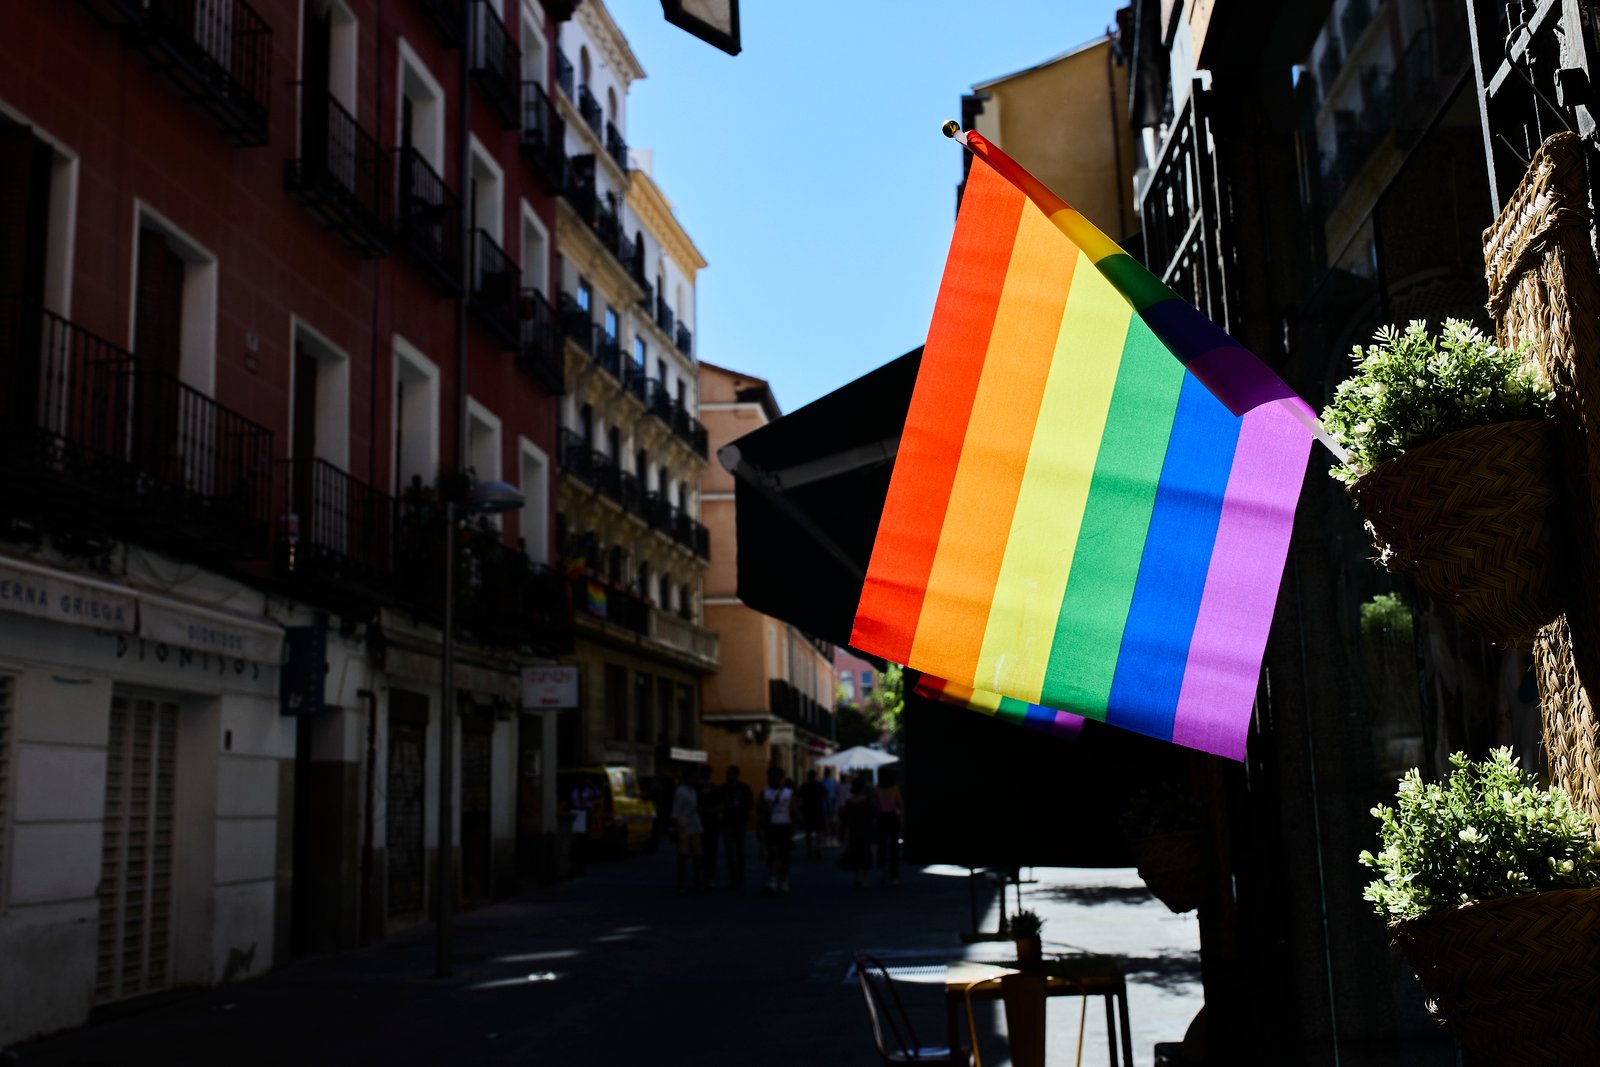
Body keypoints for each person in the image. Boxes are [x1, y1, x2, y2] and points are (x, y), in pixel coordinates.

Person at [758, 766, 797, 894]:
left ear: (781, 778)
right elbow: (761, 811)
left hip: (784, 825)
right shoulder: (764, 792)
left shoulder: (789, 793)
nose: (772, 779)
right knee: (773, 853)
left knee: (784, 855)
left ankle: (784, 879)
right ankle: (773, 879)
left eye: (775, 777)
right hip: (771, 825)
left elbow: (793, 811)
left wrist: (793, 828)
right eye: (770, 777)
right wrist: (761, 828)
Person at [836, 776, 876, 888]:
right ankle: (864, 879)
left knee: (855, 852)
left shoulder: (850, 802)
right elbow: (873, 815)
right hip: (865, 830)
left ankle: (857, 876)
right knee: (865, 853)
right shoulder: (867, 802)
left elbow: (845, 819)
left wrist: (842, 833)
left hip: (854, 830)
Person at [720, 765, 753, 887]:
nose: (728, 776)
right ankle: (733, 876)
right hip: (728, 822)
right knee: (730, 851)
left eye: (730, 773)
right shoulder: (724, 788)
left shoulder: (743, 788)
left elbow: (750, 803)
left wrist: (740, 806)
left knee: (740, 851)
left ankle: (739, 875)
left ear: (736, 775)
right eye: (727, 773)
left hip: (739, 822)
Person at [671, 767, 703, 892]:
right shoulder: (680, 792)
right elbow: (675, 813)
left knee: (697, 854)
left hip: (695, 825)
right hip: (684, 826)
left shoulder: (693, 791)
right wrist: (675, 830)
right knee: (683, 855)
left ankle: (695, 879)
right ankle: (681, 881)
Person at [873, 765, 905, 886]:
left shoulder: (877, 789)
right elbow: (900, 805)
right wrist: (902, 819)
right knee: (894, 847)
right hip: (893, 817)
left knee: (882, 845)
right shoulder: (894, 788)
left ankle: (882, 869)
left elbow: (875, 805)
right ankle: (894, 874)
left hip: (882, 818)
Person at [697, 763, 722, 886]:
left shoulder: (715, 790)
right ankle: (701, 875)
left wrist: (706, 810)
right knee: (700, 851)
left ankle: (709, 876)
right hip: (700, 824)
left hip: (711, 824)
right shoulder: (696, 790)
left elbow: (719, 806)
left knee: (710, 851)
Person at [798, 769, 827, 859]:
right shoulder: (819, 785)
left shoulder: (804, 786)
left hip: (807, 811)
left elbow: (799, 797)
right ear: (815, 776)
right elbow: (825, 796)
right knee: (819, 831)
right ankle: (818, 847)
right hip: (818, 810)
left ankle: (809, 850)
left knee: (808, 832)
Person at [820, 765, 841, 847]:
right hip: (828, 805)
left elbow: (836, 793)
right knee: (830, 823)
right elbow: (836, 793)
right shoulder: (831, 782)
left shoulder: (824, 782)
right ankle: (831, 839)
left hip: (828, 805)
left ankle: (831, 839)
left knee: (830, 823)